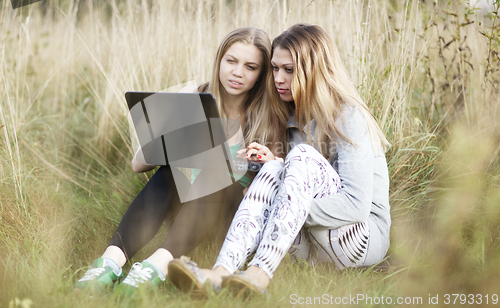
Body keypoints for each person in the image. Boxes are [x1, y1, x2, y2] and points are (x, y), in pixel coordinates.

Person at [167, 23, 391, 297]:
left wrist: (278, 202)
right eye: (274, 68)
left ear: (315, 70)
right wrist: (269, 174)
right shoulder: (291, 119)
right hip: (310, 243)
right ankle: (222, 273)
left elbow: (356, 205)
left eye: (289, 70)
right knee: (273, 167)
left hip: (360, 240)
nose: (278, 78)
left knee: (300, 156)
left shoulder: (349, 117)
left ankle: (258, 275)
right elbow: (292, 187)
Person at [74, 27, 279, 293]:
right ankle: (110, 262)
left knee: (219, 176)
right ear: (219, 61)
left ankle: (155, 266)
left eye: (250, 67)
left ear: (261, 74)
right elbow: (138, 165)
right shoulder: (194, 95)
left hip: (230, 217)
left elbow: (277, 180)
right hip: (185, 208)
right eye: (231, 61)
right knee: (170, 169)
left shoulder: (268, 117)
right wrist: (176, 139)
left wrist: (269, 161)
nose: (237, 72)